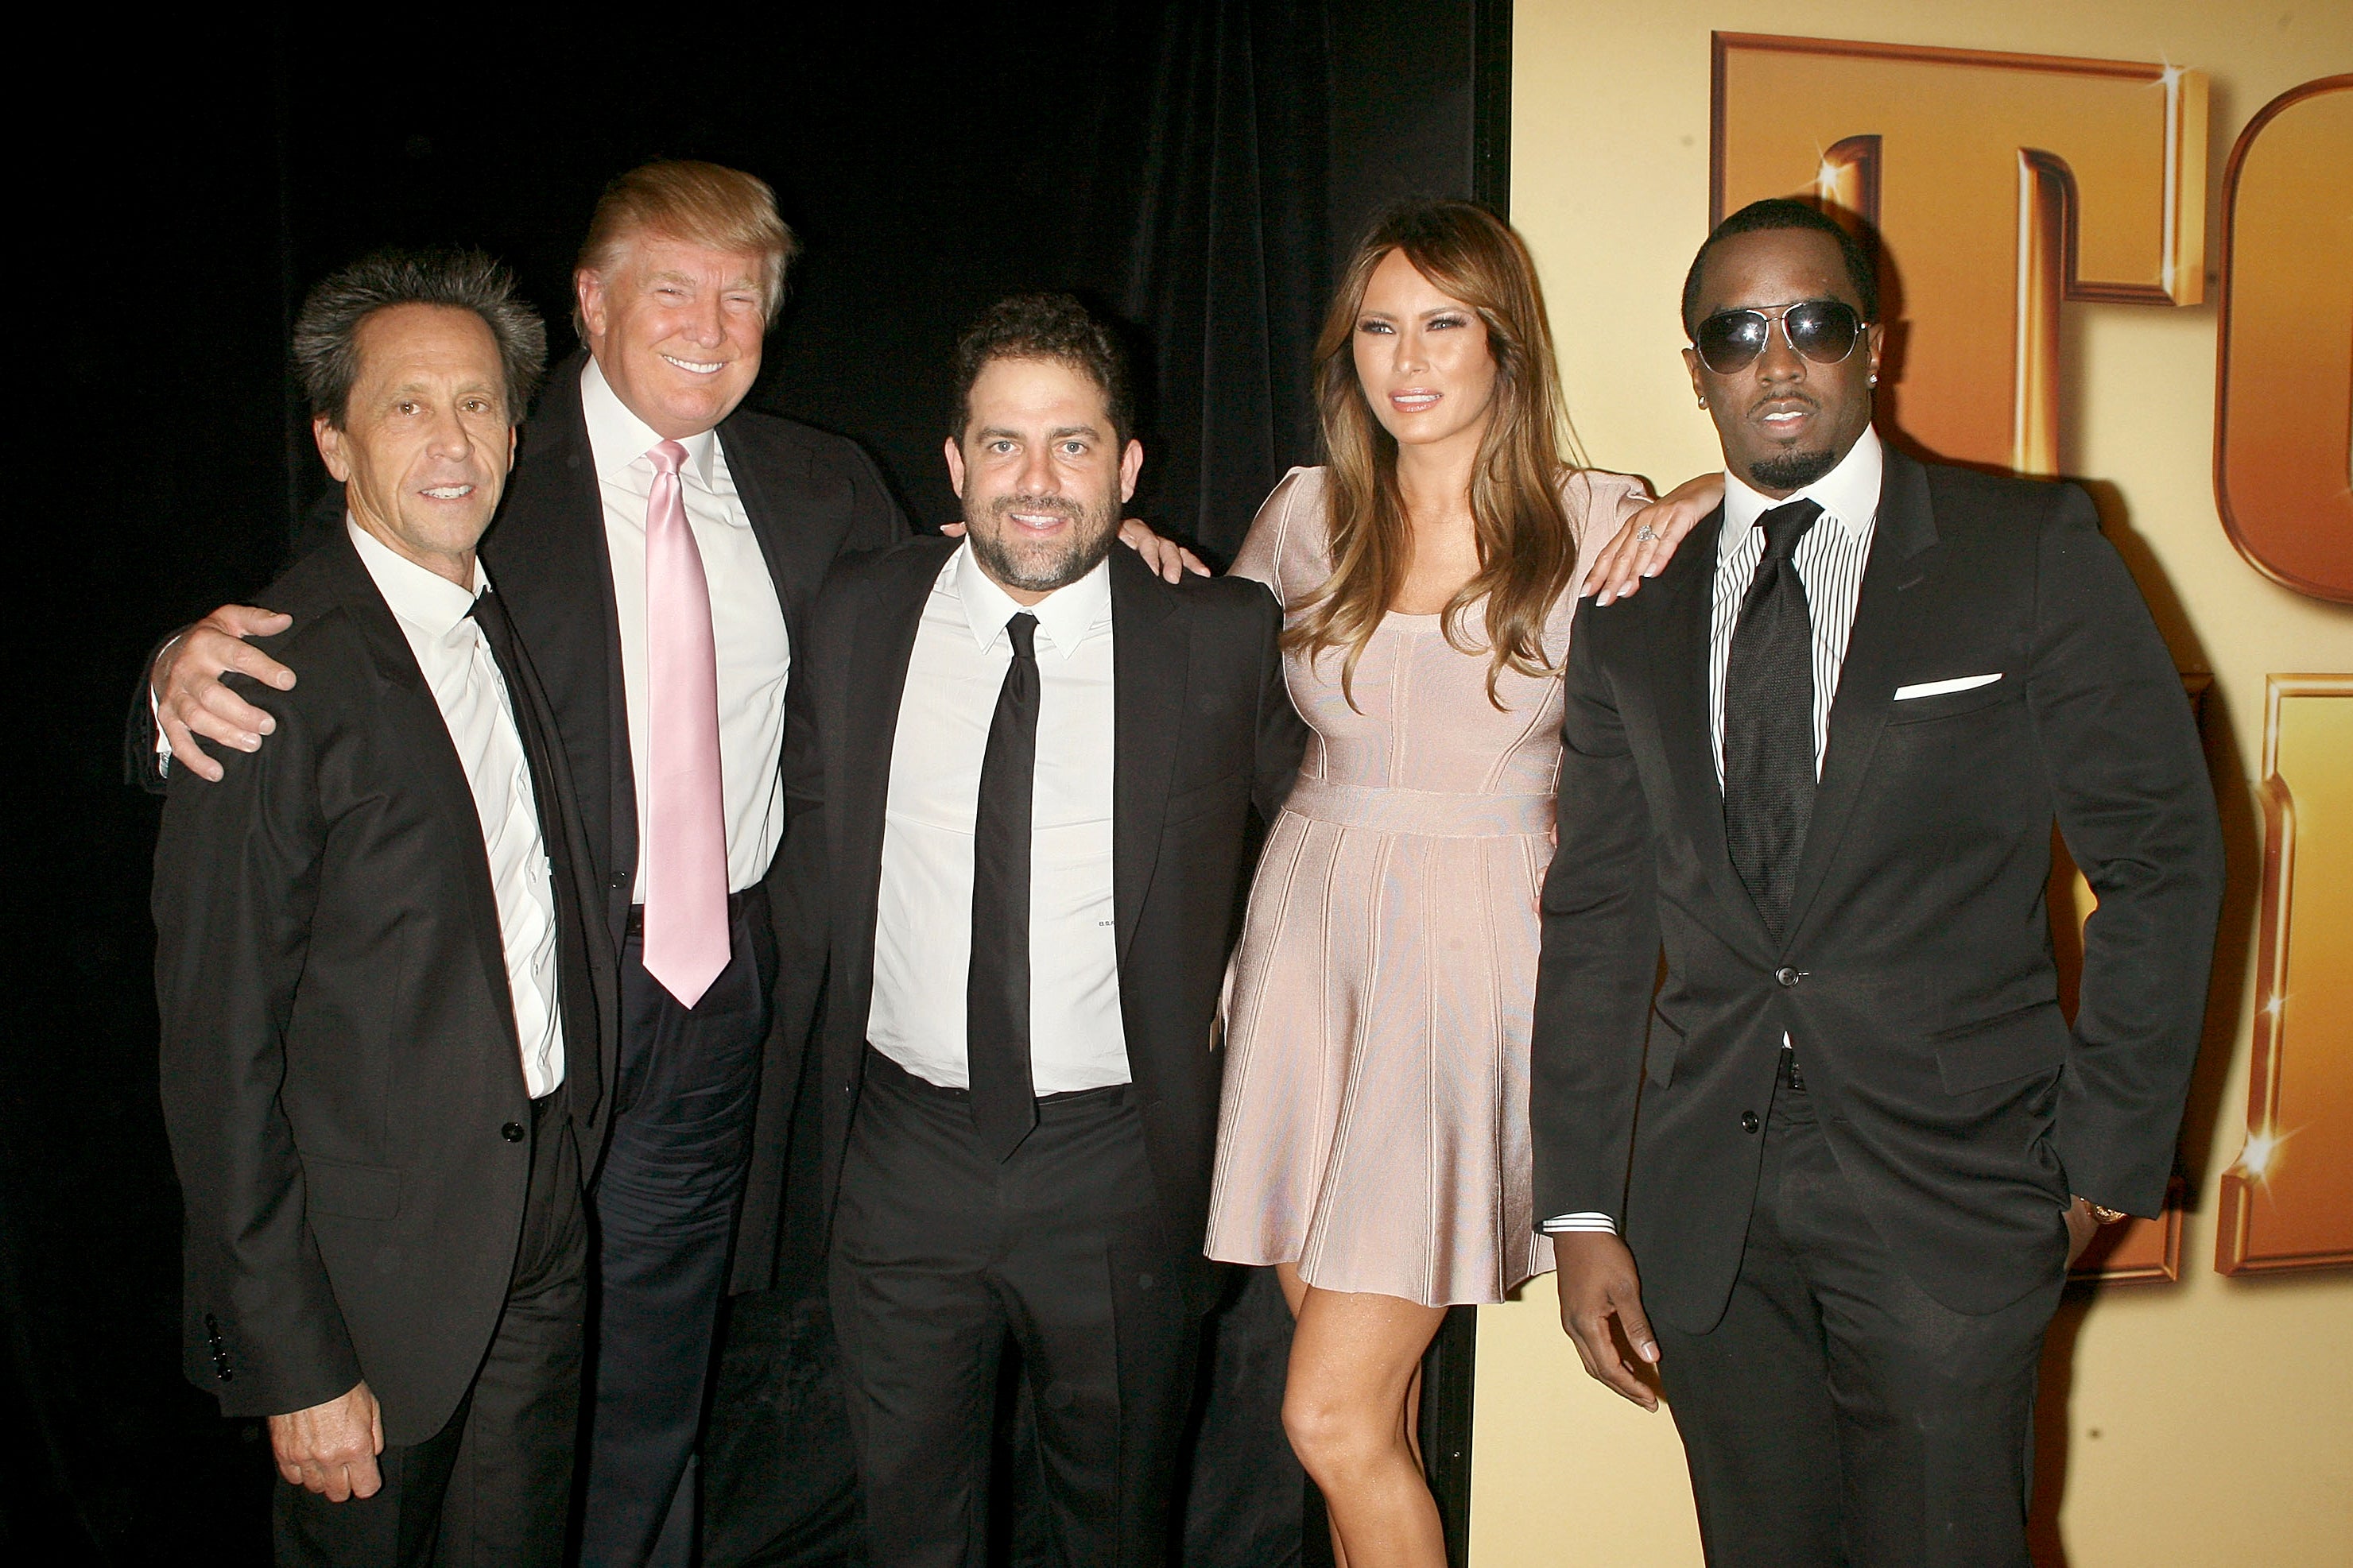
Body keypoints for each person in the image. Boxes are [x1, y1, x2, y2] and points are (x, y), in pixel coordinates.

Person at [135, 162, 1200, 1566]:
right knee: (440, 1395)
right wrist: (167, 676)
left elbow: (978, 585)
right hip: (498, 1019)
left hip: (712, 1008)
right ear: (590, 303)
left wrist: (1114, 546)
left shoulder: (821, 486)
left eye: (741, 296)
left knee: (636, 1396)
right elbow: (326, 637)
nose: (709, 326)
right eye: (672, 291)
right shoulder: (484, 465)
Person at [1533, 199, 2226, 1566]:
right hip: (1707, 1210)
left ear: (1873, 345)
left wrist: (2096, 1172)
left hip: (1956, 1192)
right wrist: (1583, 1209)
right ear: (1697, 371)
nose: (1778, 359)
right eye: (1737, 334)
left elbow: (2162, 858)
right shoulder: (1631, 609)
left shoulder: (2025, 548)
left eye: (1814, 321)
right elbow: (1596, 917)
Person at [1198, 199, 1716, 1566]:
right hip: (1307, 945)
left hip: (1476, 958)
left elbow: (1795, 566)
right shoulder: (1305, 514)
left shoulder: (1601, 518)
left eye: (1444, 324)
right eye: (1379, 327)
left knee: (1328, 1415)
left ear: (1504, 344)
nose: (1408, 358)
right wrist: (1133, 557)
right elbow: (1194, 669)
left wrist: (1725, 493)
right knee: (1374, 1416)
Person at [774, 292, 1306, 1566]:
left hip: (1120, 1166)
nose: (1037, 481)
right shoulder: (857, 613)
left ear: (1129, 467)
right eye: (1002, 443)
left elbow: (1327, 841)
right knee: (913, 1535)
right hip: (897, 1156)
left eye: (1074, 444)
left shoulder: (1219, 636)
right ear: (954, 465)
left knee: (1115, 1531)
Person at [153, 249, 614, 1566]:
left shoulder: (490, 614)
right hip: (368, 1287)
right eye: (407, 405)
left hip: (537, 1225)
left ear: (515, 435)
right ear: (334, 441)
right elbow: (216, 1051)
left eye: (477, 404)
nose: (452, 440)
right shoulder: (269, 675)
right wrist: (288, 1357)